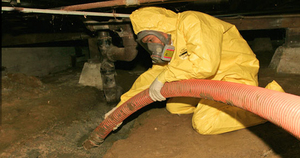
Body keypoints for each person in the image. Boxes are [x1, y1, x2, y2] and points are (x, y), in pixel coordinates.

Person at [107, 7, 284, 134]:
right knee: (175, 106)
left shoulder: (191, 21)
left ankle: (270, 108)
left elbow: (206, 65)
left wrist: (166, 75)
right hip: (206, 80)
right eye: (147, 43)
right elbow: (153, 77)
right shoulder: (172, 41)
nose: (152, 47)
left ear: (161, 29)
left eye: (152, 39)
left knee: (204, 124)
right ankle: (213, 105)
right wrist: (120, 109)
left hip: (233, 72)